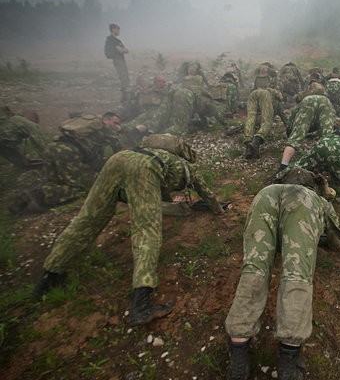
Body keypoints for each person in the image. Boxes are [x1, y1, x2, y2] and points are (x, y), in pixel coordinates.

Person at [32, 136, 226, 327]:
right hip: (142, 169)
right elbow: (206, 193)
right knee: (147, 230)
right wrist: (218, 209)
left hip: (117, 160)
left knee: (87, 219)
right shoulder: (188, 167)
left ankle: (50, 275)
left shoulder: (157, 155)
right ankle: (141, 304)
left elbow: (161, 192)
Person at [224, 168, 340, 380]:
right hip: (303, 207)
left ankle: (237, 370)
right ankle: (286, 378)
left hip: (264, 202)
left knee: (253, 272)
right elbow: (336, 237)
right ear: (312, 185)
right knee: (296, 278)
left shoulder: (267, 190)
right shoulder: (316, 198)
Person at [10, 112, 127, 214]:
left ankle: (25, 199)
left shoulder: (87, 125)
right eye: (115, 123)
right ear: (106, 120)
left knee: (56, 181)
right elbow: (121, 151)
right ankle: (38, 195)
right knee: (82, 188)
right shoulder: (106, 130)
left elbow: (93, 158)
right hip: (67, 153)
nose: (118, 126)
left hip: (52, 147)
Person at [279, 95, 335, 170]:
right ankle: (330, 166)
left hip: (308, 102)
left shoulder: (295, 113)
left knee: (295, 138)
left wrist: (292, 137)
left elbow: (293, 129)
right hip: (326, 101)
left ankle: (283, 166)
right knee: (327, 138)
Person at [0, 105, 49, 170]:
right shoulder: (28, 125)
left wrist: (23, 163)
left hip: (3, 144)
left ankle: (26, 166)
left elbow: (7, 147)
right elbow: (41, 145)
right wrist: (50, 161)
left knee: (7, 149)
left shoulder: (12, 121)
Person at [243, 87, 283, 159]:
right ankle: (257, 141)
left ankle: (249, 146)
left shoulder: (264, 89)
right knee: (267, 120)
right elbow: (280, 98)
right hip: (265, 94)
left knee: (251, 119)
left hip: (252, 94)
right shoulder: (274, 93)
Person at [104, 24, 130, 103]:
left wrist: (123, 49)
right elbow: (122, 50)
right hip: (118, 59)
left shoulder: (116, 40)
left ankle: (125, 96)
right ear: (113, 29)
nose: (118, 31)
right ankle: (126, 96)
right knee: (124, 77)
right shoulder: (112, 40)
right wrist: (123, 49)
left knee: (125, 76)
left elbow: (126, 50)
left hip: (120, 59)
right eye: (117, 29)